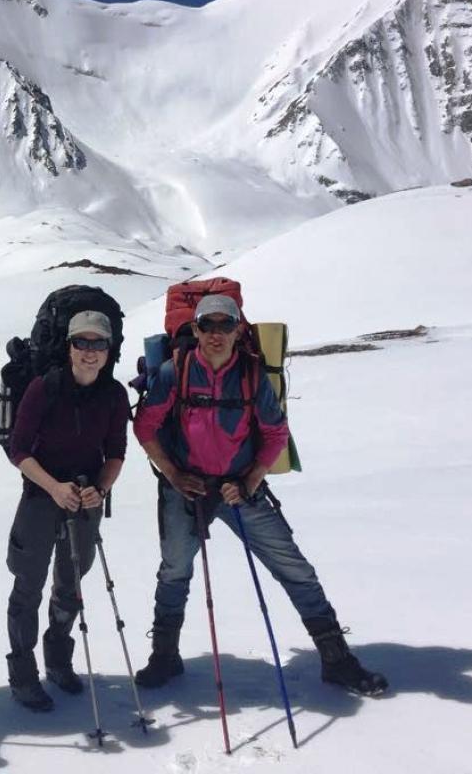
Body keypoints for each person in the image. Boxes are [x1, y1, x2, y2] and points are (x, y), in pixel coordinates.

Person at [132, 295, 387, 695]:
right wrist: (173, 474)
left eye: (225, 325)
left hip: (240, 490)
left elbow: (274, 433)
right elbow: (145, 426)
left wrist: (250, 481)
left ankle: (337, 660)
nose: (216, 334)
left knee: (295, 569)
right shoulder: (174, 372)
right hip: (186, 489)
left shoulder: (251, 375)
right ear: (196, 330)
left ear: (238, 330)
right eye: (208, 326)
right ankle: (164, 656)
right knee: (174, 572)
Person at [5, 310, 129, 711]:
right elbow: (19, 449)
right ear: (69, 346)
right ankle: (23, 672)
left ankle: (58, 659)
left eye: (98, 344)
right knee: (28, 584)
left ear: (109, 350)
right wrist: (54, 487)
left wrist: (101, 489)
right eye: (82, 343)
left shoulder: (114, 395)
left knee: (71, 582)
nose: (90, 352)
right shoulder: (44, 389)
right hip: (43, 496)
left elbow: (116, 452)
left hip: (85, 498)